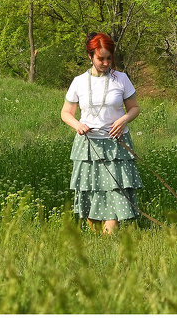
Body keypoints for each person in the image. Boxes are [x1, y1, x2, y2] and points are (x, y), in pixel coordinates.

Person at [60, 31, 143, 233]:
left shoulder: (121, 79)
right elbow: (66, 113)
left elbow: (135, 108)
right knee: (91, 191)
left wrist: (123, 119)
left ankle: (109, 239)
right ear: (90, 56)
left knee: (115, 191)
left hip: (116, 144)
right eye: (101, 58)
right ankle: (96, 240)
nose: (106, 63)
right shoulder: (78, 82)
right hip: (88, 146)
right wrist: (78, 125)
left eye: (109, 58)